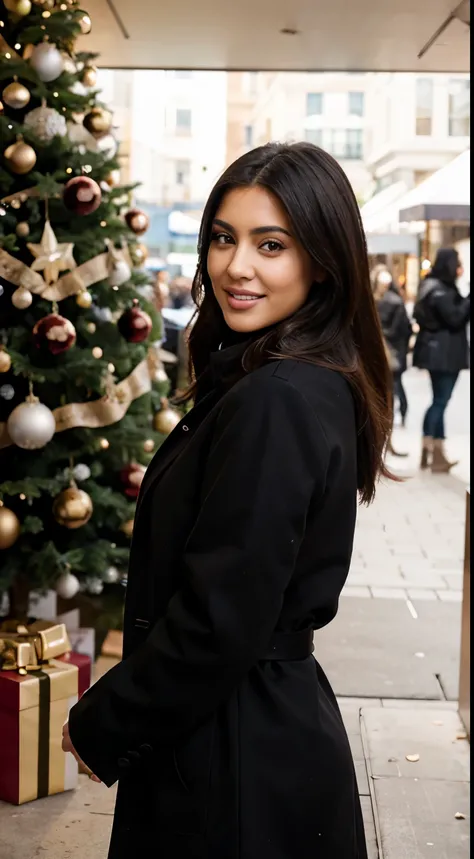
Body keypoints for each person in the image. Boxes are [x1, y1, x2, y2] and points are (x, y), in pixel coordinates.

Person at [62, 141, 394, 859]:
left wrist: (104, 721)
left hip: (233, 753)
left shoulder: (279, 396)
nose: (235, 266)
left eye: (270, 244)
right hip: (245, 732)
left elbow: (220, 619)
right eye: (223, 237)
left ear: (323, 259)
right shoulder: (279, 374)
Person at [413, 247, 470, 472]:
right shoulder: (439, 289)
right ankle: (430, 448)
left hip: (436, 353)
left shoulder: (431, 286)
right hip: (444, 355)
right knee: (440, 401)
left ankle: (436, 453)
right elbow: (455, 317)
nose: (460, 267)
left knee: (439, 400)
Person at [373, 268, 412, 427]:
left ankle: (386, 417)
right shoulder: (396, 301)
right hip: (393, 349)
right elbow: (403, 328)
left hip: (377, 348)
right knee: (396, 383)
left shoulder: (370, 300)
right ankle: (401, 412)